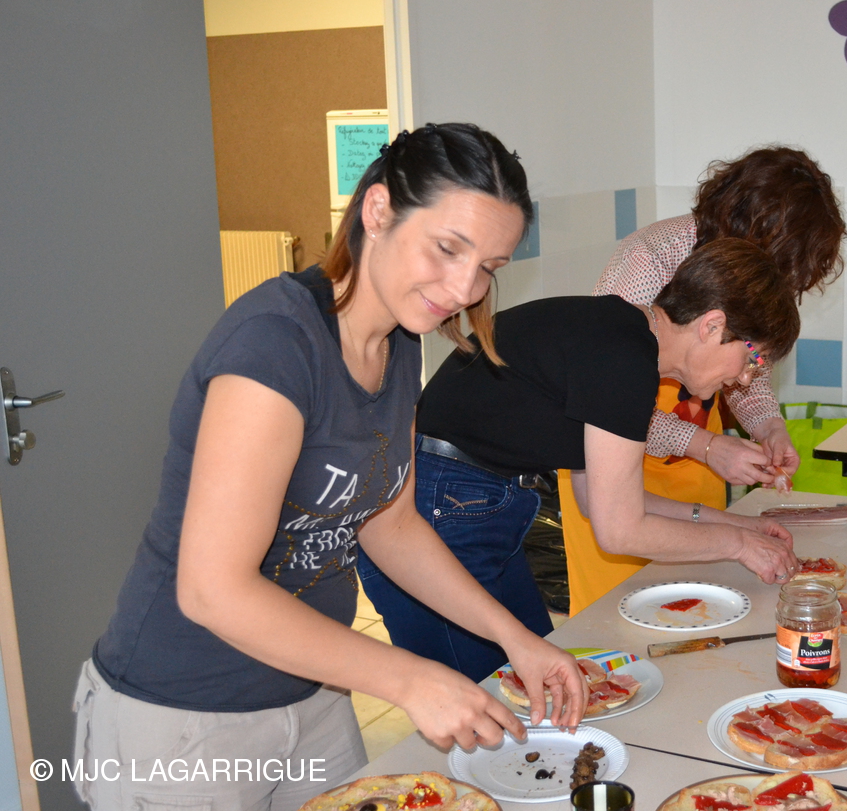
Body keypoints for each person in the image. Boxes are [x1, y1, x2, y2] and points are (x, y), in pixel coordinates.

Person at [76, 124, 586, 811]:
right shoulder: (275, 346)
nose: (465, 287)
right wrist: (408, 679)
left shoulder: (399, 340)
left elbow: (391, 524)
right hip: (185, 716)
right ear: (378, 211)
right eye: (447, 248)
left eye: (489, 266)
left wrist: (515, 638)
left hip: (312, 693)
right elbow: (211, 590)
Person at [357, 238, 803, 679]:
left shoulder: (621, 339)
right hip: (434, 511)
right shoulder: (625, 357)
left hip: (470, 503)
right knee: (483, 699)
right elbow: (619, 531)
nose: (746, 378)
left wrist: (736, 525)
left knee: (536, 681)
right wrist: (738, 545)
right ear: (712, 325)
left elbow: (601, 502)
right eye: (753, 357)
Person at [564, 146, 847, 613]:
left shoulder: (746, 285)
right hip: (614, 469)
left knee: (709, 611)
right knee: (617, 620)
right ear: (747, 229)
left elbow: (749, 359)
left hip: (695, 474)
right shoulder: (648, 262)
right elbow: (605, 397)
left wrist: (768, 426)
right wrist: (707, 446)